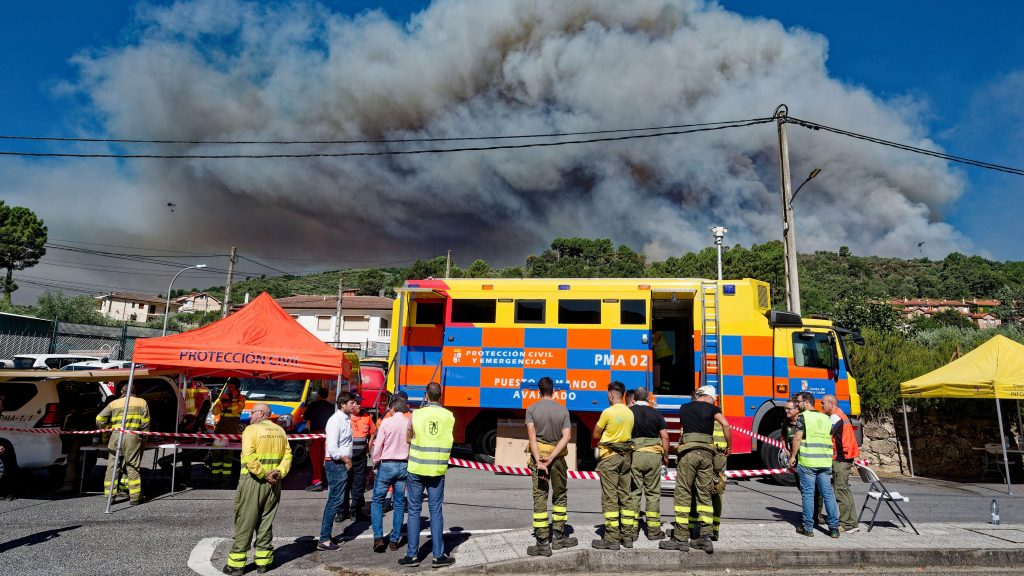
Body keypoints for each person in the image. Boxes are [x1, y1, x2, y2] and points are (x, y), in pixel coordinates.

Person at [224, 402, 293, 575]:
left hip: (254, 480)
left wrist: (264, 474)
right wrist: (279, 472)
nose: (250, 416)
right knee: (266, 520)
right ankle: (263, 563)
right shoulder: (280, 431)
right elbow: (288, 455)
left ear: (261, 413)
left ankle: (237, 565)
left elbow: (249, 457)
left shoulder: (251, 430)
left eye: (253, 413)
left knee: (245, 521)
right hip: (275, 483)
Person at [660, 385, 730, 554]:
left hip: (689, 454)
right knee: (704, 494)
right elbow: (726, 425)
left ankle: (680, 537)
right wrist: (730, 445)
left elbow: (686, 427)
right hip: (707, 455)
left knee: (683, 493)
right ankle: (704, 538)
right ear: (709, 397)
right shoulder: (714, 409)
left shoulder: (684, 408)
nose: (713, 401)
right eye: (713, 399)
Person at [400, 382, 456, 568]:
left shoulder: (417, 414)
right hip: (436, 470)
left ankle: (412, 555)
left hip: (416, 468)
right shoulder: (449, 416)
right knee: (436, 511)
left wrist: (414, 440)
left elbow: (408, 435)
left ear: (426, 395)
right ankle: (438, 556)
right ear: (440, 396)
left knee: (414, 511)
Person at [524, 377, 579, 557]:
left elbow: (532, 437)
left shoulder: (531, 409)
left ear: (539, 391)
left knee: (540, 496)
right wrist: (553, 457)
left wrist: (540, 460)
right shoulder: (563, 410)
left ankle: (542, 543)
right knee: (560, 495)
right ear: (553, 390)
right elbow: (567, 436)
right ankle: (558, 537)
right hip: (557, 460)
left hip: (538, 458)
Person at [788, 391, 840, 538]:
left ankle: (808, 528)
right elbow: (829, 437)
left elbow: (797, 439)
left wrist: (793, 456)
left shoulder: (803, 417)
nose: (797, 404)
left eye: (798, 402)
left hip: (808, 462)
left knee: (808, 495)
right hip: (824, 461)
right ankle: (834, 528)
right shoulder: (825, 417)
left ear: (806, 402)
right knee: (828, 494)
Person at [591, 381, 635, 550]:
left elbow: (596, 434)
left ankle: (611, 538)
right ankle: (627, 536)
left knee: (610, 497)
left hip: (610, 458)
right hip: (626, 458)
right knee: (625, 495)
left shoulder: (607, 412)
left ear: (611, 395)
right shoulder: (630, 413)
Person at [96, 382, 150, 506]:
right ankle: (135, 498)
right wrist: (143, 438)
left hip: (115, 436)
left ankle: (109, 496)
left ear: (122, 392)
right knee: (132, 466)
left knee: (112, 467)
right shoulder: (142, 402)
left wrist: (107, 428)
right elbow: (146, 423)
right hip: (133, 437)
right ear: (135, 391)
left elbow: (99, 419)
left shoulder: (114, 403)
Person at [628, 386, 669, 541]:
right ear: (648, 397)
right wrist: (665, 456)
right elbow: (664, 437)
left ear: (634, 398)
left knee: (634, 493)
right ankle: (653, 531)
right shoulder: (657, 414)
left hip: (635, 455)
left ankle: (631, 531)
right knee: (653, 494)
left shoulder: (629, 412)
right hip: (653, 456)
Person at [318, 392, 358, 551]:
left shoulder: (345, 419)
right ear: (343, 404)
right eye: (351, 403)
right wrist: (346, 460)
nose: (354, 406)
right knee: (335, 500)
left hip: (339, 464)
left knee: (336, 500)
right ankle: (324, 538)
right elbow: (333, 447)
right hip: (336, 464)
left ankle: (326, 536)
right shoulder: (336, 420)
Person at [370, 395, 409, 553]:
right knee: (399, 503)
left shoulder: (386, 422)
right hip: (404, 465)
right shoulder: (409, 423)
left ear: (392, 409)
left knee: (377, 501)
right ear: (404, 409)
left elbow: (378, 445)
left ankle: (378, 537)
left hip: (387, 464)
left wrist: (375, 460)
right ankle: (394, 539)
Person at [822, 394, 860, 533]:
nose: (821, 406)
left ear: (831, 404)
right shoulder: (840, 415)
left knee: (840, 490)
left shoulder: (835, 417)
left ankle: (847, 524)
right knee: (844, 489)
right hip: (845, 457)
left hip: (841, 459)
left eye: (823, 403)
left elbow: (825, 434)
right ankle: (851, 522)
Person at [340, 397, 375, 522]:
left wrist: (369, 446)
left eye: (360, 403)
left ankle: (356, 511)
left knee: (358, 486)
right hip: (346, 458)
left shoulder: (367, 417)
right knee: (344, 485)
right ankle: (342, 512)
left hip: (360, 458)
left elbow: (372, 432)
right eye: (356, 403)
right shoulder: (345, 418)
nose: (358, 405)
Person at [212, 381, 246, 488]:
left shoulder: (241, 398)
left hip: (231, 431)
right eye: (228, 386)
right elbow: (214, 411)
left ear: (236, 387)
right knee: (216, 455)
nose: (229, 388)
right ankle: (215, 478)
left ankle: (225, 480)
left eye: (231, 386)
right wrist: (221, 402)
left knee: (228, 457)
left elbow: (236, 410)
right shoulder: (223, 397)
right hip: (220, 430)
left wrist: (231, 401)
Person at [304, 387, 335, 492]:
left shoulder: (313, 405)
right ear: (327, 395)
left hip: (315, 434)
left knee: (316, 460)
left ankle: (317, 481)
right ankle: (327, 480)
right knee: (327, 458)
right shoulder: (332, 407)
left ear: (319, 395)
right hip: (328, 434)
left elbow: (305, 416)